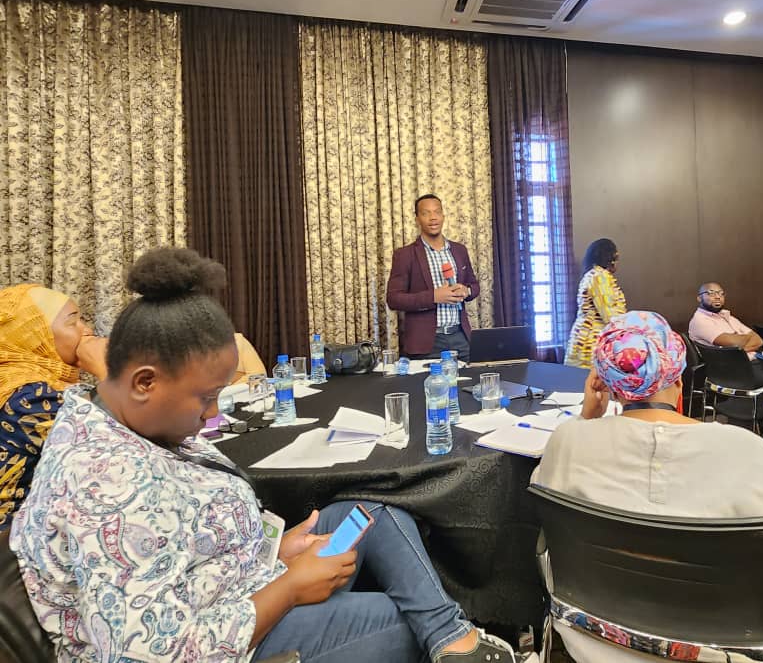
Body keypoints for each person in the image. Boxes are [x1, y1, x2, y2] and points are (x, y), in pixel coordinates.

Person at [11, 248, 515, 663]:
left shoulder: (132, 419)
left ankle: (453, 642)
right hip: (234, 641)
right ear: (145, 382)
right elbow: (149, 652)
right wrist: (288, 588)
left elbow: (189, 539)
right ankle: (448, 641)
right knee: (403, 620)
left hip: (247, 581)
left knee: (375, 510)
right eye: (206, 397)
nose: (213, 414)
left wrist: (272, 551)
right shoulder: (104, 481)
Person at [532, 311, 763, 663]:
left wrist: (586, 419)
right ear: (679, 380)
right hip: (726, 651)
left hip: (593, 644)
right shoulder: (754, 453)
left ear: (605, 384)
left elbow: (547, 502)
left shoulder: (567, 441)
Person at [0, 283, 107, 528]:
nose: (87, 330)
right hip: (14, 539)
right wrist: (106, 370)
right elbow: (112, 449)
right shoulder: (27, 397)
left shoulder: (22, 382)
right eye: (73, 322)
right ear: (35, 336)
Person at [387, 194, 480, 362]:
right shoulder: (405, 255)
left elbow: (474, 285)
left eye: (437, 212)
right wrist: (433, 297)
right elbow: (393, 299)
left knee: (470, 379)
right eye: (426, 213)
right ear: (417, 219)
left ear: (443, 215)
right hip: (426, 344)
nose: (433, 217)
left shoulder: (459, 250)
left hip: (461, 338)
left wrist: (466, 291)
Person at [565, 238, 626, 368]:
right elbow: (610, 314)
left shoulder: (593, 275)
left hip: (586, 337)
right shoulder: (599, 277)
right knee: (590, 378)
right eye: (616, 257)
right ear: (609, 258)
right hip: (593, 340)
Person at [687, 282, 763, 355]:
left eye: (721, 293)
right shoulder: (700, 321)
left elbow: (759, 341)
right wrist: (749, 337)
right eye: (711, 293)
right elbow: (734, 343)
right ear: (699, 298)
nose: (718, 297)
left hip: (752, 359)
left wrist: (740, 349)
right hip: (731, 363)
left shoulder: (727, 316)